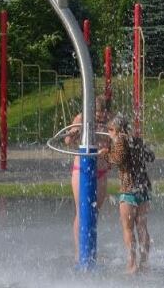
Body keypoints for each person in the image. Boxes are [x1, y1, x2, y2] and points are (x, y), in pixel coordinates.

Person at [102, 114, 154, 274]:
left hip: (128, 189)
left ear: (117, 130)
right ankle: (144, 262)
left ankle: (132, 263)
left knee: (128, 228)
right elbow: (150, 156)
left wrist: (104, 153)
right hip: (143, 189)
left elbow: (117, 159)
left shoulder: (120, 141)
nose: (109, 133)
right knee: (142, 227)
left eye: (110, 130)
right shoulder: (136, 140)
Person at [64, 95, 112, 263]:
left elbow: (115, 144)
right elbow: (68, 140)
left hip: (101, 171)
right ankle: (80, 252)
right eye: (98, 114)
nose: (101, 117)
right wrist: (77, 132)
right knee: (82, 211)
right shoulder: (81, 118)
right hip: (82, 170)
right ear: (91, 110)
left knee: (94, 213)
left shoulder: (109, 122)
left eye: (103, 114)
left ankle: (91, 249)